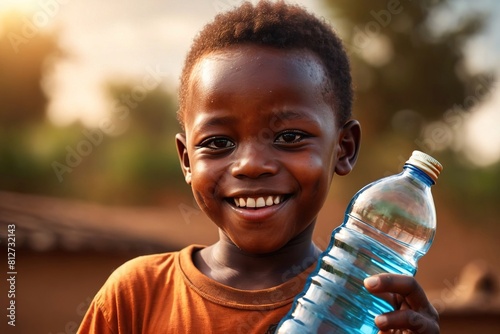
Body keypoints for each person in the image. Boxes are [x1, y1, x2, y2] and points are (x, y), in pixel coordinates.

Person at [77, 1, 440, 333]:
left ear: (344, 148)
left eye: (290, 137)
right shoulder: (136, 296)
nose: (251, 165)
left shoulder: (366, 311)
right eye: (218, 142)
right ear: (187, 160)